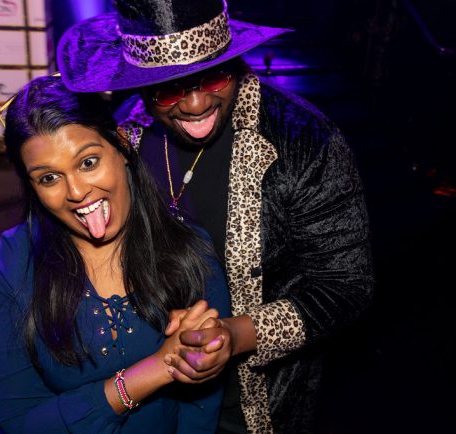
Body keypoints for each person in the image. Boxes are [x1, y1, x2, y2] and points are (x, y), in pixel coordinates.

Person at [57, 0, 374, 433]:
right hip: (143, 397)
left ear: (234, 61)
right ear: (141, 84)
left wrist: (234, 335)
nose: (195, 104)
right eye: (168, 88)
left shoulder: (303, 141)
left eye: (213, 76)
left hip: (249, 409)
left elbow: (345, 286)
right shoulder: (123, 136)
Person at [0, 75, 231, 434]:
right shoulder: (10, 264)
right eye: (49, 178)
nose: (76, 191)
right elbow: (20, 422)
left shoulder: (189, 250)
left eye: (88, 162)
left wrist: (200, 354)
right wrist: (155, 369)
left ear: (122, 145)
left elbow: (201, 412)